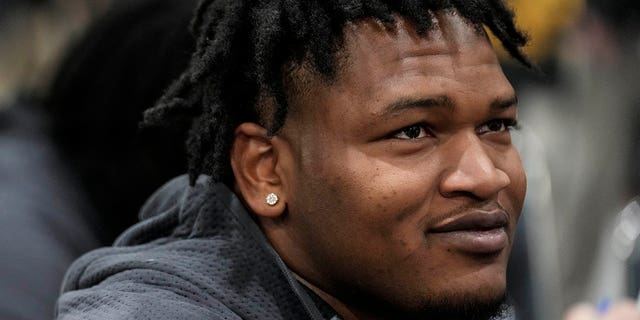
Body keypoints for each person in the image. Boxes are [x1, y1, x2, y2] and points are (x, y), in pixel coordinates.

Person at [53, 1, 640, 319]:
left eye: (496, 126)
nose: (486, 175)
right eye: (412, 131)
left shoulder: (409, 287)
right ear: (266, 170)